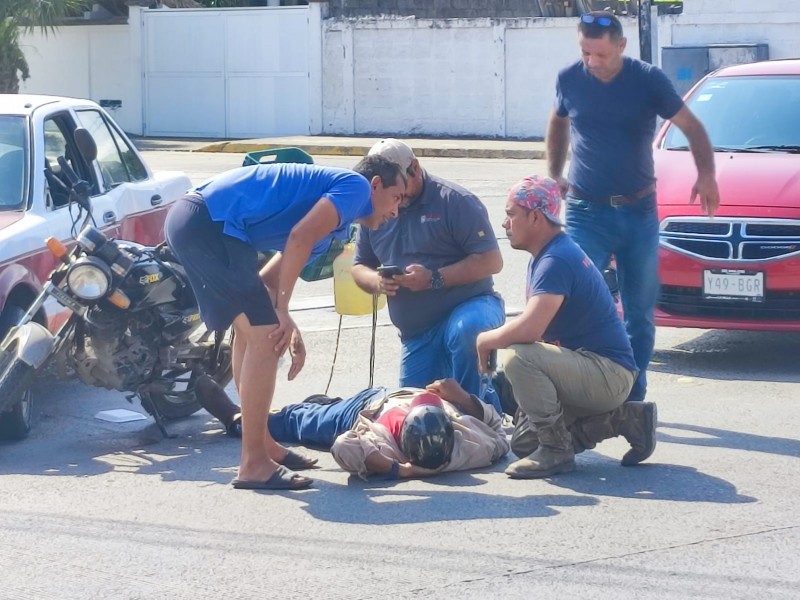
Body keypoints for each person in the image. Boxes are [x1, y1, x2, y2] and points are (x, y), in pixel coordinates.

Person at [165, 156, 405, 490]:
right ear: (377, 185)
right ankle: (253, 464)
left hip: (205, 224)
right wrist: (282, 311)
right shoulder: (356, 187)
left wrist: (286, 318)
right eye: (396, 198)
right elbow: (298, 237)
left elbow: (268, 281)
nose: (395, 211)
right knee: (266, 336)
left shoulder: (335, 224)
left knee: (258, 333)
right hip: (206, 222)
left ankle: (262, 444)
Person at [545, 11, 721, 402]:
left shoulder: (648, 81)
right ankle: (582, 390)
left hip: (639, 212)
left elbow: (692, 127)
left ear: (622, 47)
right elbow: (558, 121)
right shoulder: (570, 78)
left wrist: (706, 175)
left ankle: (632, 395)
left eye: (600, 55)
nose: (591, 62)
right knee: (576, 298)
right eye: (585, 52)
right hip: (586, 211)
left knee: (639, 314)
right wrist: (555, 171)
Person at [476, 175, 657, 479]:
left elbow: (530, 331)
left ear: (535, 217)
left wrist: (484, 340)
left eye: (510, 215)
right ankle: (626, 420)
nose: (505, 225)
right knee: (524, 443)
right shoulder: (549, 254)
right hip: (594, 369)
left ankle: (557, 452)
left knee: (519, 357)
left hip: (608, 373)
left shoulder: (556, 260)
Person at [351, 139, 505, 413]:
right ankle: (496, 392)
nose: (397, 198)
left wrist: (435, 278)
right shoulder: (375, 206)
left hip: (471, 306)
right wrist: (377, 281)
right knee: (413, 411)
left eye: (401, 185)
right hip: (418, 333)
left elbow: (491, 261)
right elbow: (359, 265)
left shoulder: (456, 201)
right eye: (391, 188)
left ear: (416, 168)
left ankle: (482, 412)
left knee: (467, 332)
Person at [194, 375, 509, 480]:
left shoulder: (389, 449)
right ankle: (324, 403)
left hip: (363, 414)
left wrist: (406, 472)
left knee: (294, 423)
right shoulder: (472, 445)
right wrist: (461, 397)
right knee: (323, 408)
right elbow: (498, 428)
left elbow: (345, 447)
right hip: (385, 394)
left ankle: (236, 418)